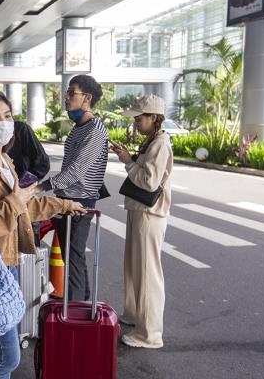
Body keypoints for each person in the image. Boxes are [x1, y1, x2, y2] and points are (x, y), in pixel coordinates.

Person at [0, 92, 84, 378]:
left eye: (7, 116)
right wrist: (16, 200)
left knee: (1, 356)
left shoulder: (5, 161)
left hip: (3, 257)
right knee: (6, 358)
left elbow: (24, 206)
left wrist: (64, 205)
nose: (4, 123)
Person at [112, 94, 173, 349]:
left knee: (147, 272)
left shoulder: (160, 144)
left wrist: (127, 162)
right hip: (141, 210)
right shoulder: (152, 141)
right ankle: (135, 314)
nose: (136, 122)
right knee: (134, 266)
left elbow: (149, 181)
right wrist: (130, 157)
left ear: (154, 118)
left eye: (140, 117)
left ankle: (150, 334)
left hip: (150, 213)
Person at [44, 74, 108, 301]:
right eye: (67, 93)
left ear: (87, 98)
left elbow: (77, 170)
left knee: (73, 254)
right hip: (68, 199)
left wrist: (42, 186)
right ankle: (81, 300)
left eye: (72, 93)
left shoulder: (94, 130)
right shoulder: (79, 127)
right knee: (72, 254)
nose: (67, 97)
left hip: (80, 201)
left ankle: (76, 305)